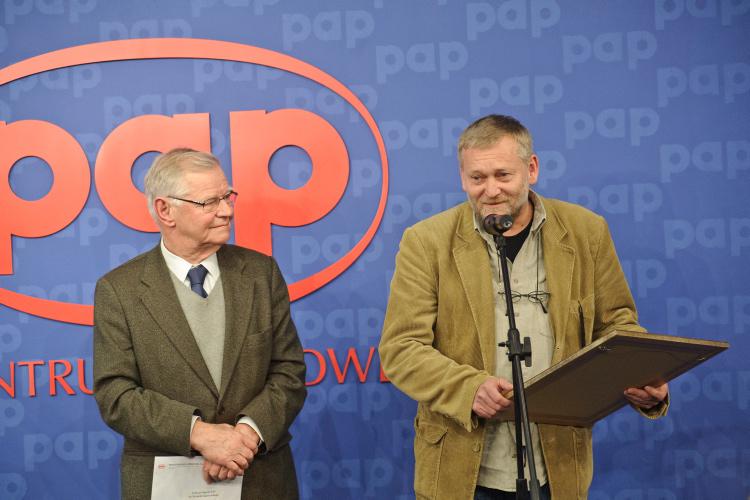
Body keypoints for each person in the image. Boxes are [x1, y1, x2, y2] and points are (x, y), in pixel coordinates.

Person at [378, 115, 669, 500]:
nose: (490, 190)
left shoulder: (586, 231)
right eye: (477, 178)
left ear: (531, 169)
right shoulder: (426, 242)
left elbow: (617, 326)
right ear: (462, 177)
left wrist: (642, 375)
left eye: (503, 175)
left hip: (557, 466)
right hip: (461, 470)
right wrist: (468, 389)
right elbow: (401, 348)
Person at [93, 148, 306, 499]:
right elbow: (115, 394)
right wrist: (200, 435)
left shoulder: (261, 273)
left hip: (261, 478)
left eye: (227, 196)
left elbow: (289, 371)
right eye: (209, 202)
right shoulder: (119, 290)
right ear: (165, 210)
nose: (227, 210)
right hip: (166, 482)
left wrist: (244, 438)